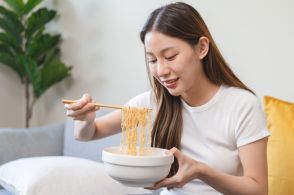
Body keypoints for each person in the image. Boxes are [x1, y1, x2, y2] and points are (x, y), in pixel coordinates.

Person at [65, 2, 270, 195]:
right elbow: (88, 134)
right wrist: (85, 119)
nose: (161, 71)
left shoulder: (241, 105)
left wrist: (201, 171)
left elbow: (258, 190)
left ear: (201, 48)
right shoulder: (152, 103)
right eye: (152, 60)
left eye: (170, 57)